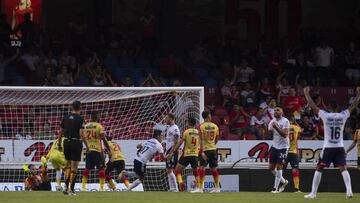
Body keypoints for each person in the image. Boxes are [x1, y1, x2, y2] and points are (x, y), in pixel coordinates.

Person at [303, 86, 360, 199]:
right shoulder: (343, 115)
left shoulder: (326, 115)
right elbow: (353, 105)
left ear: (328, 107)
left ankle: (313, 193)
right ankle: (349, 192)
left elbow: (313, 106)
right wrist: (358, 94)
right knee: (343, 168)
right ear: (338, 107)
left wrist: (306, 94)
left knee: (319, 168)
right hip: (339, 147)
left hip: (328, 147)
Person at [58, 100, 89, 195]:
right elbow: (81, 133)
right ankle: (71, 189)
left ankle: (65, 187)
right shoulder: (80, 119)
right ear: (80, 107)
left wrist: (59, 143)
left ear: (72, 107)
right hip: (76, 142)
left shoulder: (66, 117)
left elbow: (60, 131)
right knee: (74, 167)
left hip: (66, 141)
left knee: (68, 165)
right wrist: (87, 146)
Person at [167, 117, 200, 192]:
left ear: (189, 123)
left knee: (177, 170)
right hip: (195, 154)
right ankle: (199, 186)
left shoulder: (186, 132)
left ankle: (181, 183)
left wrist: (172, 151)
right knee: (195, 171)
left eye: (187, 123)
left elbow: (180, 143)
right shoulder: (198, 132)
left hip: (186, 154)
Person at [81, 112, 110, 191]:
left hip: (88, 150)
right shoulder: (99, 126)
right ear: (97, 117)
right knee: (101, 169)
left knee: (87, 169)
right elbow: (103, 139)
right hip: (97, 150)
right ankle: (101, 188)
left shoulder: (86, 126)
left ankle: (83, 187)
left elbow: (82, 137)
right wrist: (109, 150)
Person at [268, 107, 290, 193]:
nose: (276, 111)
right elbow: (268, 134)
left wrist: (276, 127)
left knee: (279, 167)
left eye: (278, 110)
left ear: (282, 112)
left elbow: (285, 135)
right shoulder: (272, 121)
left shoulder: (285, 121)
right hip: (275, 146)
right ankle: (284, 182)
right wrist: (266, 128)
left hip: (283, 147)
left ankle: (275, 188)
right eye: (275, 110)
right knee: (271, 168)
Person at [198, 111, 220, 193]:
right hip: (213, 149)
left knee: (202, 168)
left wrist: (202, 152)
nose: (211, 116)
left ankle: (201, 188)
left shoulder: (201, 126)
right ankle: (217, 188)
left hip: (205, 150)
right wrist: (212, 145)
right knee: (214, 168)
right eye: (210, 114)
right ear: (208, 116)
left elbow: (200, 140)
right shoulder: (215, 126)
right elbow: (216, 139)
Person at [284, 115, 302, 192]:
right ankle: (296, 189)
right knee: (295, 170)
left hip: (285, 151)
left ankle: (278, 186)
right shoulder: (296, 127)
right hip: (294, 152)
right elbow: (300, 133)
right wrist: (295, 123)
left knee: (280, 169)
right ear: (293, 120)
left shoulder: (284, 128)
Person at [164, 113, 181, 192]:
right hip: (168, 150)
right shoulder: (169, 128)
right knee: (168, 170)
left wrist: (171, 152)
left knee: (170, 170)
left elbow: (176, 142)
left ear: (171, 119)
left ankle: (176, 188)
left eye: (167, 118)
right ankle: (171, 188)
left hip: (172, 150)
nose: (165, 119)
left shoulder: (175, 129)